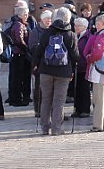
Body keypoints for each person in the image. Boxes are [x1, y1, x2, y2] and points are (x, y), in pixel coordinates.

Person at [32, 7, 79, 135]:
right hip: (63, 72)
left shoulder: (47, 33)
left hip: (45, 71)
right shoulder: (71, 35)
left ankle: (44, 128)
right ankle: (57, 128)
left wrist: (35, 66)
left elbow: (39, 50)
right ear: (68, 19)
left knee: (46, 99)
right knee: (59, 101)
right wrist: (73, 69)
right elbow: (75, 56)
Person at [28, 10, 52, 118]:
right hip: (39, 62)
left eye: (50, 19)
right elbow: (32, 46)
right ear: (42, 19)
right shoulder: (35, 31)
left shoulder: (52, 30)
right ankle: (38, 109)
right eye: (47, 18)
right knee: (38, 86)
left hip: (50, 63)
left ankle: (48, 109)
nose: (49, 21)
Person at [7, 6, 31, 107]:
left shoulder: (16, 24)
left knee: (15, 78)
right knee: (19, 78)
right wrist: (27, 48)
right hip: (20, 55)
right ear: (20, 15)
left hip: (17, 54)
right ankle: (17, 99)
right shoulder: (19, 25)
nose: (27, 16)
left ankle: (14, 98)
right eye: (25, 14)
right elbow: (19, 40)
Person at [72, 18, 92, 118]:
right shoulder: (76, 35)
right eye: (75, 25)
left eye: (77, 26)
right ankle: (77, 109)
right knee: (77, 88)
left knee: (84, 88)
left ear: (83, 27)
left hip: (85, 66)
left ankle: (85, 109)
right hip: (77, 66)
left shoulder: (88, 36)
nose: (75, 27)